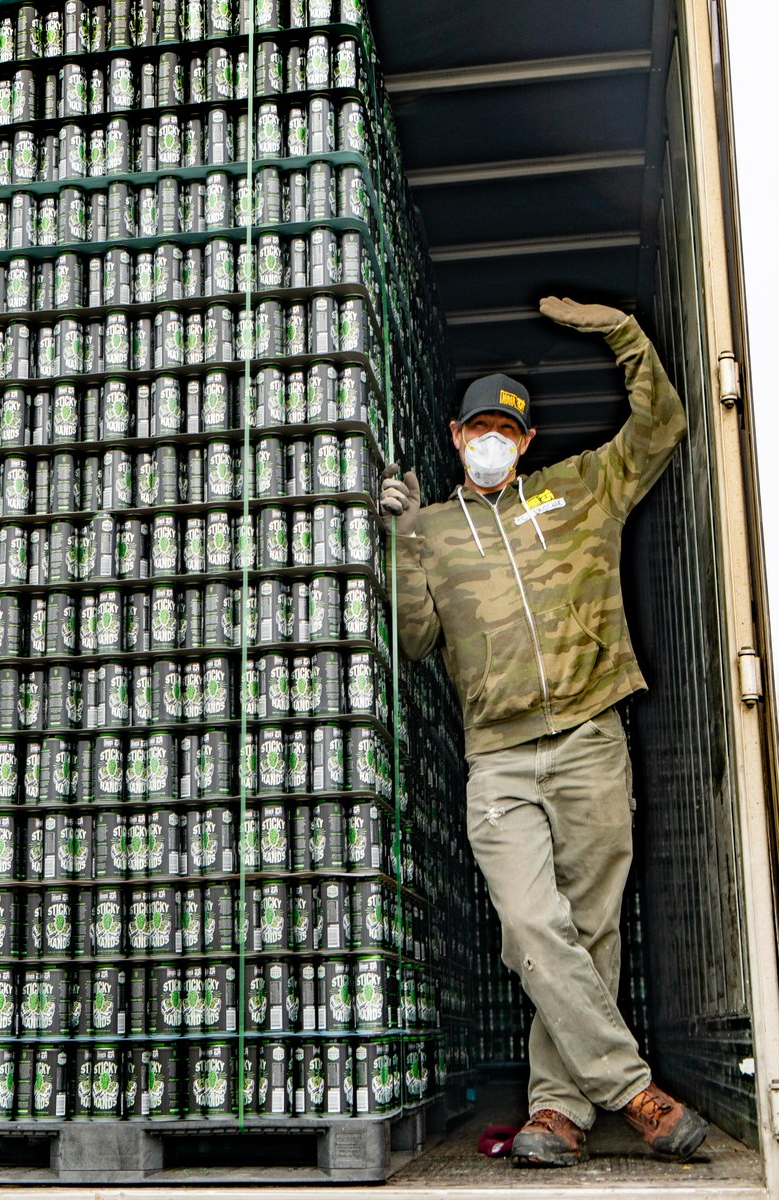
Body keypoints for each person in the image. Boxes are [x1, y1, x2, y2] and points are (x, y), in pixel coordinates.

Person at [379, 295, 709, 1168]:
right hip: (499, 755)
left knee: (590, 928)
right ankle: (632, 1091)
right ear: (457, 436)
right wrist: (400, 541)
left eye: (509, 432)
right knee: (530, 925)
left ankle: (557, 1113)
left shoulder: (581, 490)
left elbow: (664, 425)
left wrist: (624, 334)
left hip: (591, 735)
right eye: (480, 429)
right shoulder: (435, 533)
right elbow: (413, 640)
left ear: (525, 443)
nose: (493, 442)